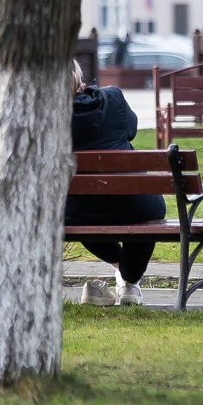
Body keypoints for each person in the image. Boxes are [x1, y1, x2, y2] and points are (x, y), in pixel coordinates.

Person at [65, 61, 165, 306]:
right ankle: (129, 281)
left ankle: (125, 275)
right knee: (147, 208)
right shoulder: (113, 98)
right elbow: (130, 130)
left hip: (76, 208)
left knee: (81, 211)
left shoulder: (43, 117)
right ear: (79, 80)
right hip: (131, 202)